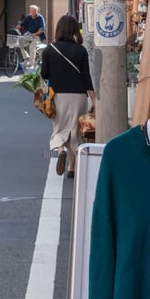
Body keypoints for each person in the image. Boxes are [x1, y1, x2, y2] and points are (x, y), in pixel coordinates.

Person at [41, 14, 95, 179]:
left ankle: (60, 150)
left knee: (60, 128)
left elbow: (44, 74)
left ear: (59, 29)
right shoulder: (81, 50)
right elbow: (87, 77)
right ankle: (72, 167)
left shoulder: (49, 50)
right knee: (75, 132)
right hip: (79, 96)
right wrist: (94, 100)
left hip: (59, 96)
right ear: (74, 30)